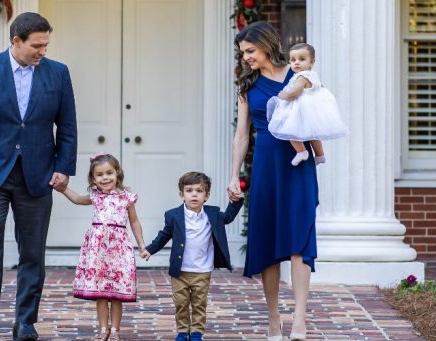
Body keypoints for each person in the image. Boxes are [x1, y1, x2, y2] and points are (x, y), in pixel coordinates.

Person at [0, 12, 77, 341]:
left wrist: (63, 168)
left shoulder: (58, 73)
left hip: (37, 175)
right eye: (37, 45)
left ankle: (25, 322)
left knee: (33, 250)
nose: (42, 52)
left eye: (46, 45)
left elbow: (67, 127)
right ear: (16, 41)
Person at [226, 22, 317, 341]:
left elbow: (317, 117)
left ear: (265, 45)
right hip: (265, 163)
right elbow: (241, 135)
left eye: (250, 51)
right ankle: (274, 319)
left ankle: (300, 320)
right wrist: (233, 175)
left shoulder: (300, 74)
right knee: (267, 239)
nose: (246, 58)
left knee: (300, 239)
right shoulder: (247, 85)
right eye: (243, 53)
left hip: (297, 163)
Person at [139, 172, 244, 341]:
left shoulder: (213, 214)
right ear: (182, 194)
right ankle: (182, 331)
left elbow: (229, 217)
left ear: (206, 196)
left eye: (199, 191)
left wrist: (236, 201)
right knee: (181, 304)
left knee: (199, 303)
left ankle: (196, 332)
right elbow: (164, 235)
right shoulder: (173, 215)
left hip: (202, 270)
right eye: (189, 190)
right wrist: (149, 249)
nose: (194, 194)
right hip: (180, 271)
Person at [57, 153, 146, 341]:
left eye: (109, 173)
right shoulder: (94, 196)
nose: (105, 178)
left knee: (117, 293)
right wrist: (63, 189)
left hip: (119, 250)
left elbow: (135, 221)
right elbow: (77, 199)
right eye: (100, 175)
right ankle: (103, 329)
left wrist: (141, 245)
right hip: (97, 250)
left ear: (117, 174)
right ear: (93, 178)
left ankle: (115, 330)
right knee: (101, 294)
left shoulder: (126, 197)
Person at [266, 43, 350, 166]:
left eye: (302, 59)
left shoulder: (301, 77)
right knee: (313, 135)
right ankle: (320, 155)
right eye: (293, 60)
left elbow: (295, 93)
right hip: (310, 111)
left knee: (290, 131)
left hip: (299, 110)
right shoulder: (313, 75)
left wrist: (283, 95)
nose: (296, 63)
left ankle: (301, 152)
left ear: (312, 61)